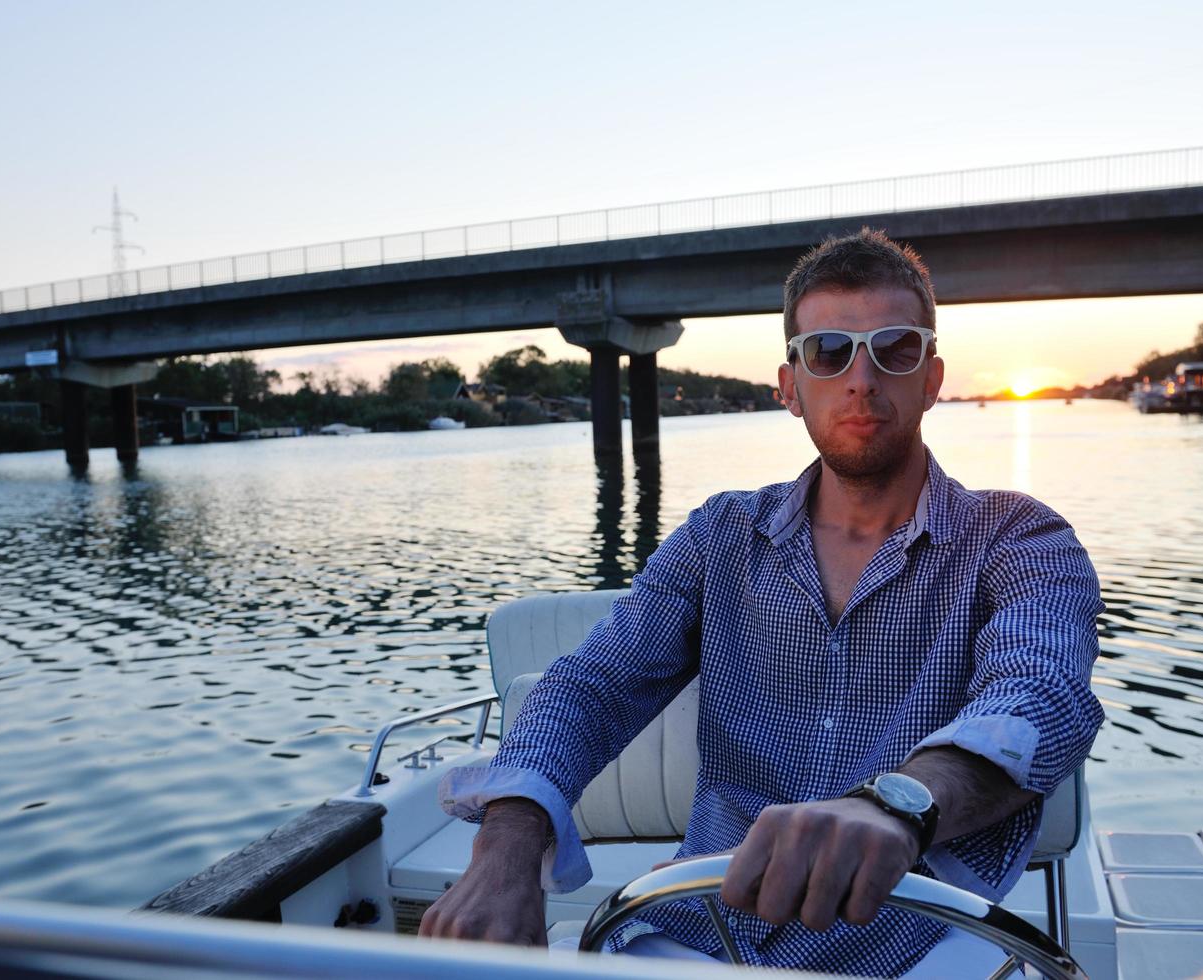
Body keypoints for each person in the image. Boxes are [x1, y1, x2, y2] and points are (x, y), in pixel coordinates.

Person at [420, 228, 1104, 976]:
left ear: (932, 376)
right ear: (789, 386)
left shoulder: (1018, 536)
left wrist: (898, 806)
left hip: (914, 933)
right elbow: (596, 684)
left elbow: (1039, 690)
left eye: (895, 348)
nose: (862, 378)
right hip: (697, 921)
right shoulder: (721, 535)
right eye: (829, 352)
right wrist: (507, 844)